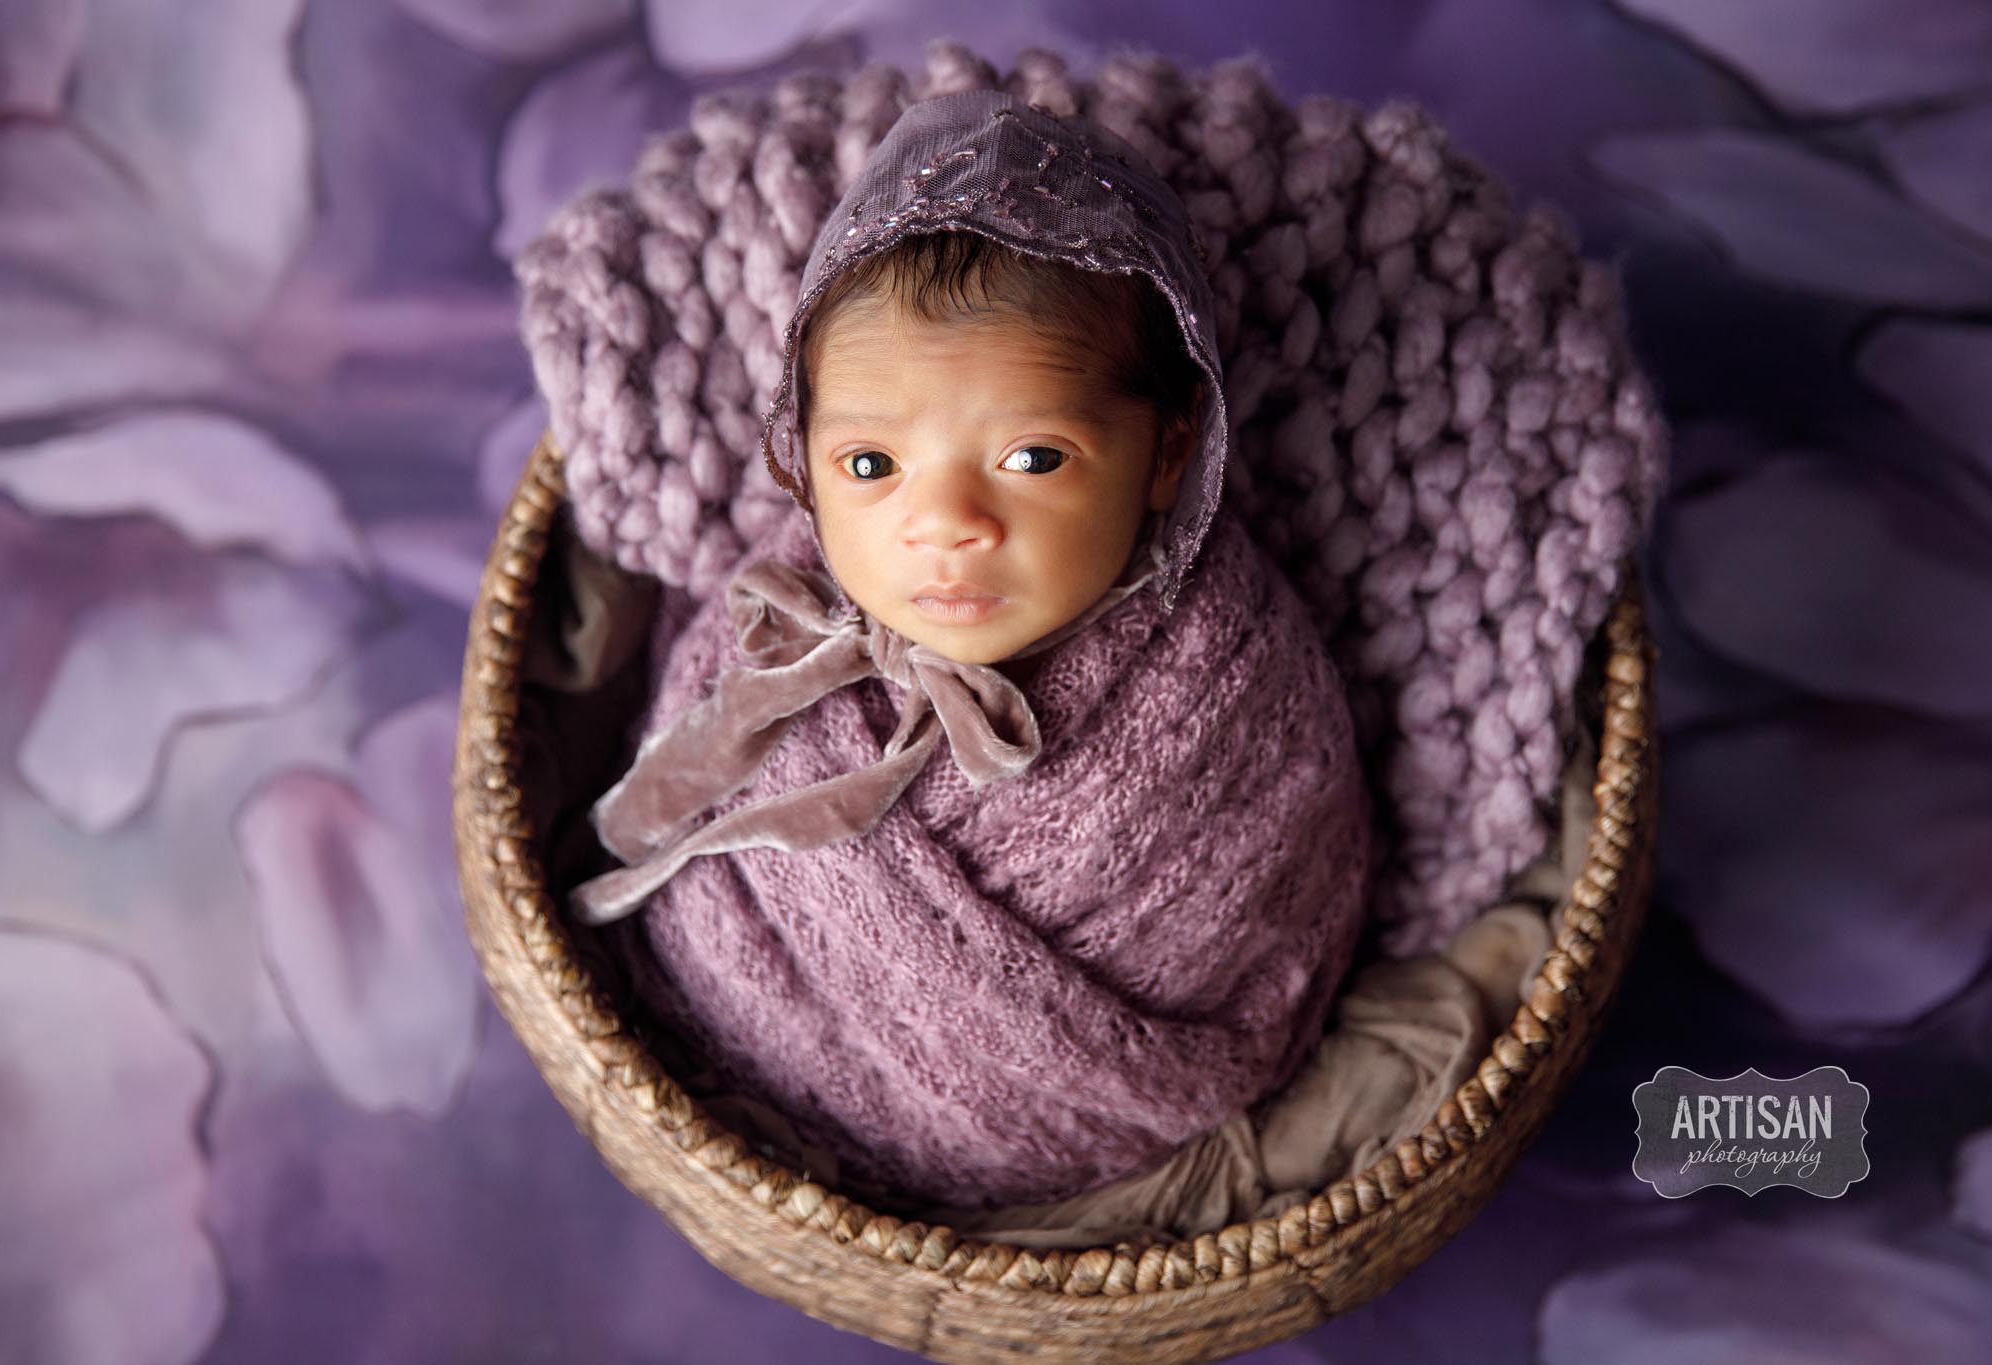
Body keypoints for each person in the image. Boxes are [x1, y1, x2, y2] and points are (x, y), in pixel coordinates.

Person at [561, 89, 1380, 1216]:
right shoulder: (782, 609)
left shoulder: (1236, 687)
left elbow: (1266, 906)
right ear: (799, 451)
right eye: (868, 467)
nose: (943, 523)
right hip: (735, 1125)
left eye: (1034, 458)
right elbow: (689, 781)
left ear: (1164, 450)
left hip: (1077, 1138)